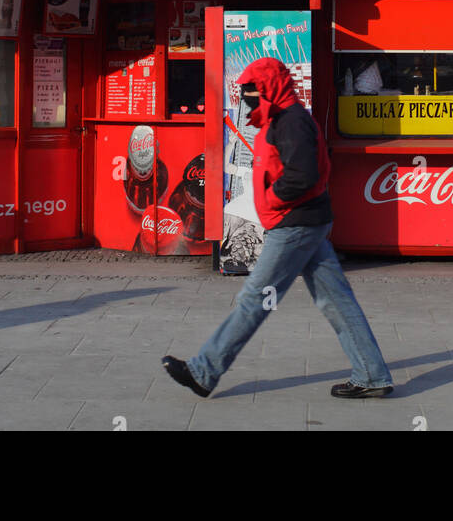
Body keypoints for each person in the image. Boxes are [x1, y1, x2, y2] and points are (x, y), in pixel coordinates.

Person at [162, 56, 394, 399]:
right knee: (337, 300)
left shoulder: (291, 122)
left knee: (255, 299)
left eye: (250, 90)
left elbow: (302, 176)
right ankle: (372, 375)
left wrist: (271, 200)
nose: (245, 97)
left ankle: (203, 371)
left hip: (294, 224)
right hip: (307, 222)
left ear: (268, 88)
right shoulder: (283, 119)